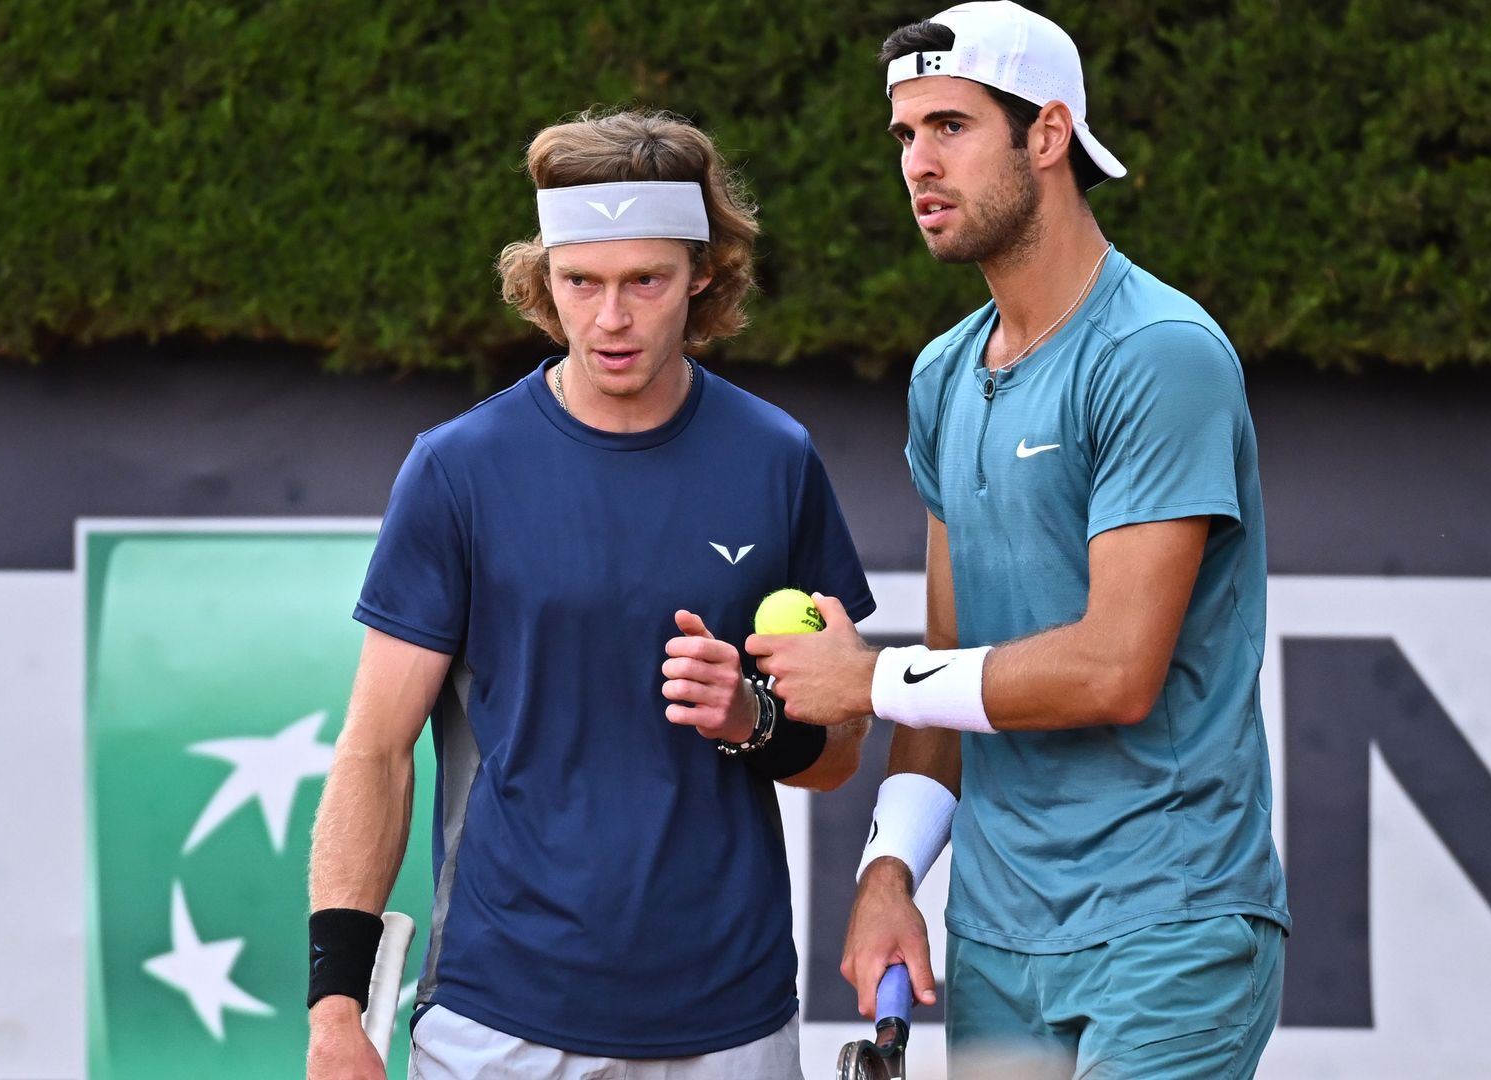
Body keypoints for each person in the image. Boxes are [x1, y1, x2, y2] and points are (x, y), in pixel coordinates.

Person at [746, 4, 1290, 1077]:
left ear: (1047, 136)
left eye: (950, 126)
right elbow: (954, 668)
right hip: (997, 941)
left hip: (1171, 929)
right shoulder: (944, 376)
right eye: (904, 136)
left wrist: (865, 680)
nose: (918, 164)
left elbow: (1115, 670)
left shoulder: (1160, 354)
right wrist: (890, 870)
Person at [305, 108, 876, 1080]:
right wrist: (334, 1010)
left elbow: (835, 754)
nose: (610, 318)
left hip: (732, 1023)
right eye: (582, 282)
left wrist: (752, 718)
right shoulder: (456, 471)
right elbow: (376, 750)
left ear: (702, 272)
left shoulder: (775, 459)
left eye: (644, 281)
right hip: (500, 1022)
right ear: (545, 279)